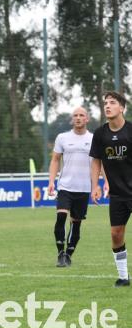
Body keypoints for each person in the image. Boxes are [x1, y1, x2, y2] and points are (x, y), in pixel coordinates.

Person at [89, 91, 132, 287]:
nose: (107, 106)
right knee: (116, 234)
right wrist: (95, 186)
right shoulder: (100, 134)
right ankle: (123, 277)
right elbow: (96, 161)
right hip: (117, 194)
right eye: (105, 103)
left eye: (112, 103)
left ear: (122, 108)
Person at [47, 106, 93, 267]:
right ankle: (60, 253)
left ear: (87, 119)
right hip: (65, 186)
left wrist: (101, 184)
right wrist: (51, 181)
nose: (78, 118)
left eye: (81, 115)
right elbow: (55, 160)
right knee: (61, 218)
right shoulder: (62, 137)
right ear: (72, 119)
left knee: (76, 223)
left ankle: (68, 254)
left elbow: (98, 164)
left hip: (84, 188)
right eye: (75, 115)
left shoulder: (93, 139)